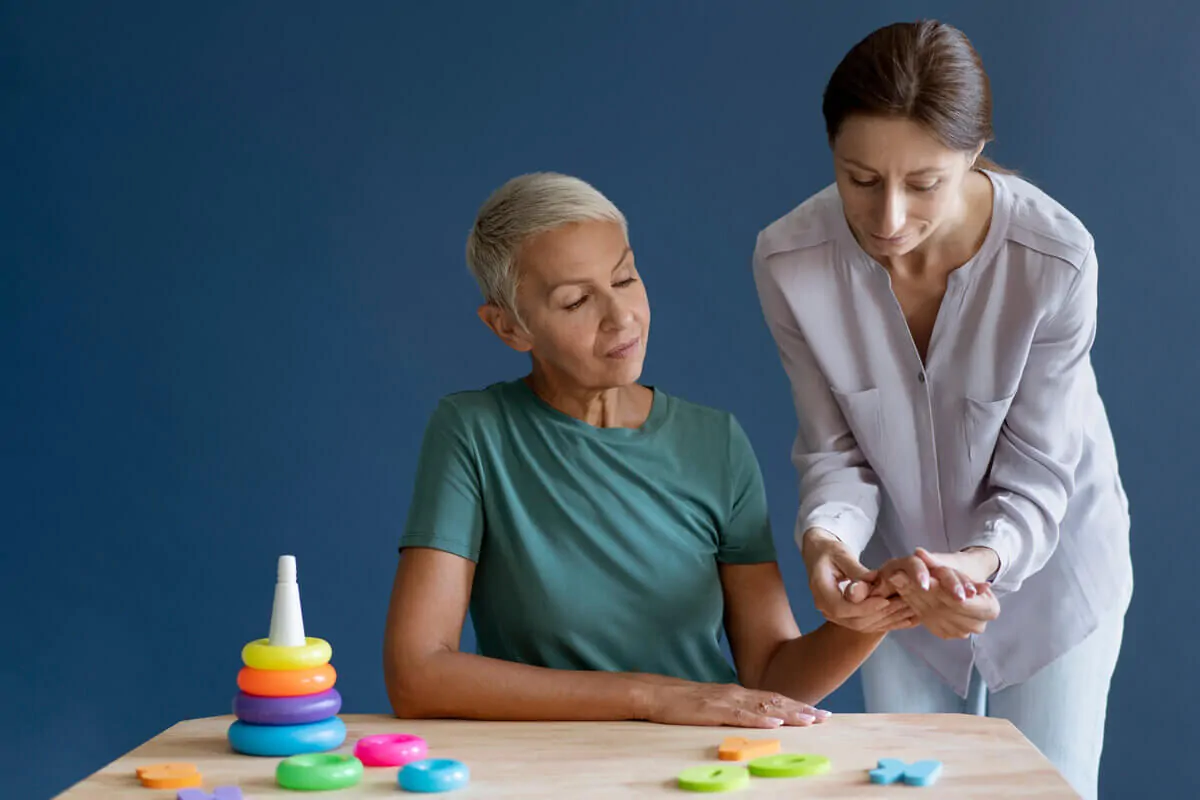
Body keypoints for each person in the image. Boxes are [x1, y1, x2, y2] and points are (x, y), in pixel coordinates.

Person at [751, 20, 1131, 800]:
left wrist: (974, 565)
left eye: (924, 184)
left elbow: (1037, 474)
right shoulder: (788, 260)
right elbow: (834, 451)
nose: (887, 218)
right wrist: (826, 544)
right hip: (897, 580)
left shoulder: (1055, 259)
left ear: (975, 152)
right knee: (905, 793)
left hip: (1051, 578)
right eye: (860, 179)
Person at [383, 172, 913, 730]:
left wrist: (875, 615)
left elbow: (770, 680)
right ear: (510, 328)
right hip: (545, 771)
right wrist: (651, 699)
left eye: (626, 278)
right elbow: (417, 674)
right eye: (576, 300)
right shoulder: (474, 433)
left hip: (702, 771)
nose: (621, 316)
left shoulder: (716, 442)